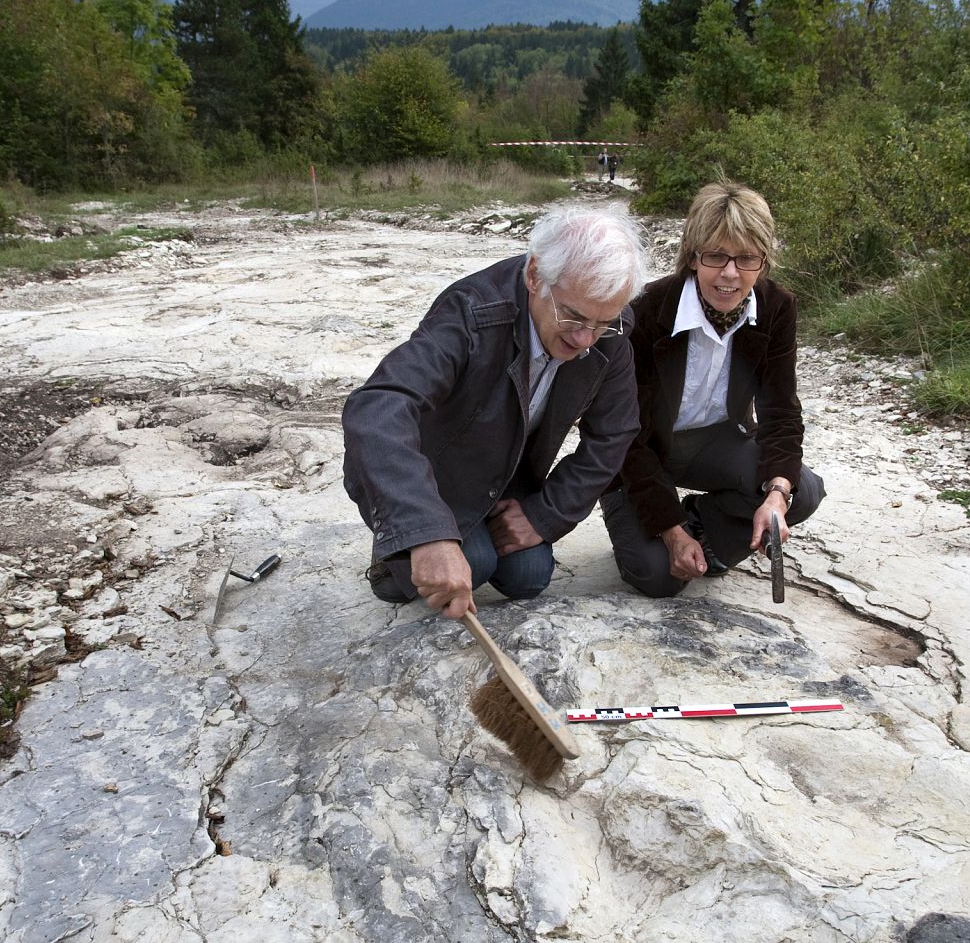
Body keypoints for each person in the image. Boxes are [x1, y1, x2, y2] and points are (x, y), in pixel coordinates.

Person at [343, 202, 649, 620]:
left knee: (529, 576)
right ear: (534, 275)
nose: (585, 340)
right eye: (573, 317)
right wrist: (425, 532)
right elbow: (377, 407)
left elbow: (615, 432)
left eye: (603, 323)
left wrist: (543, 515)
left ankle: (460, 538)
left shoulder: (604, 323)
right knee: (478, 564)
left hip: (509, 478)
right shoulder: (472, 312)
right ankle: (393, 549)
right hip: (437, 478)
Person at [602, 181, 825, 598]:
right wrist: (669, 532)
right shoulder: (645, 313)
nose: (729, 273)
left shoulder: (777, 308)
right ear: (692, 257)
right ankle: (662, 522)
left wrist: (776, 494)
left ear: (763, 261)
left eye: (746, 258)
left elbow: (780, 410)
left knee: (802, 490)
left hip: (713, 444)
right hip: (639, 454)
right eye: (716, 256)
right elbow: (624, 434)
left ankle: (701, 521)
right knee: (658, 578)